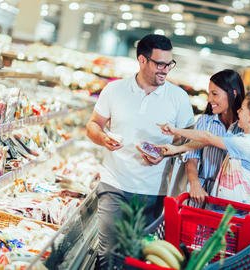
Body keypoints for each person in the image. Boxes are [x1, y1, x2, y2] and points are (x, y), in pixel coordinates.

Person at [86, 34, 194, 268]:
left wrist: (168, 152)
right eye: (159, 64)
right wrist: (103, 138)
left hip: (153, 191)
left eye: (169, 64)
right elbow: (93, 124)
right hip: (114, 183)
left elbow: (189, 141)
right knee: (108, 252)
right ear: (142, 60)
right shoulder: (114, 90)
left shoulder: (179, 98)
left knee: (137, 255)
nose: (165, 70)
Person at [159, 90, 250, 212]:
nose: (238, 111)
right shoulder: (247, 137)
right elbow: (208, 141)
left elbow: (207, 137)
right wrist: (177, 149)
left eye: (242, 109)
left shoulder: (245, 143)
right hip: (226, 207)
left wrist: (175, 130)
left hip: (229, 212)